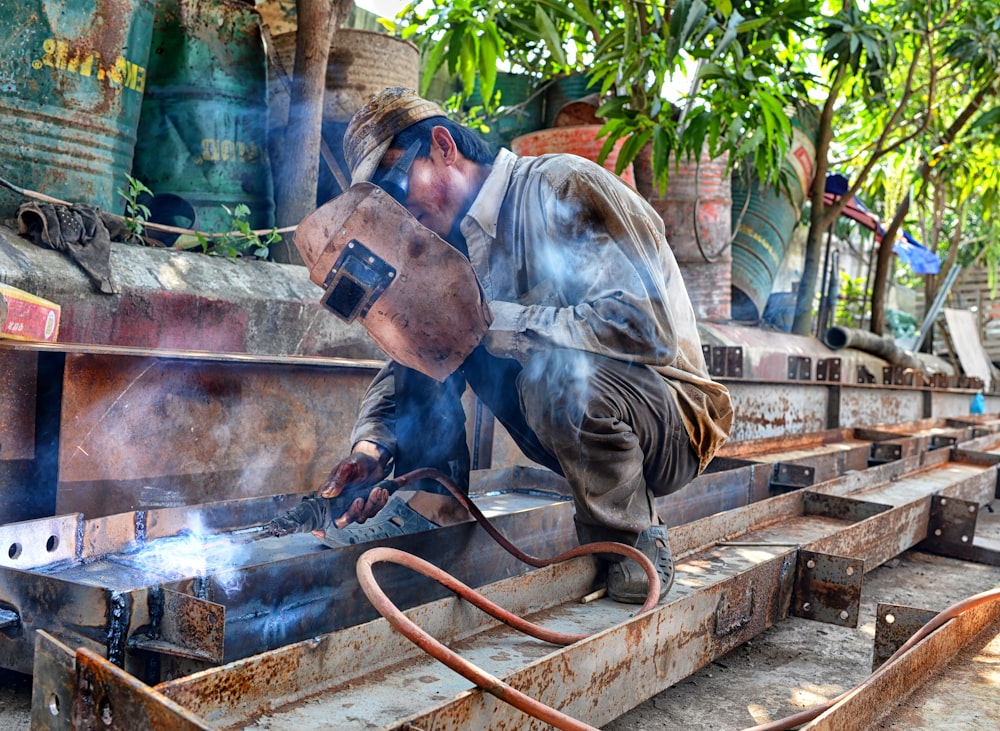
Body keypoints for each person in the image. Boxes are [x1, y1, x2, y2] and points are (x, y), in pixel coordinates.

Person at [313, 86, 733, 604]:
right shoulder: (447, 248)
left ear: (444, 146)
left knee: (551, 375)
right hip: (575, 417)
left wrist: (494, 322)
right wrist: (372, 447)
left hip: (667, 416)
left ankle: (631, 538)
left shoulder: (561, 186)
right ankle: (432, 503)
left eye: (397, 188)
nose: (398, 213)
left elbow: (647, 327)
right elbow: (412, 357)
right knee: (425, 320)